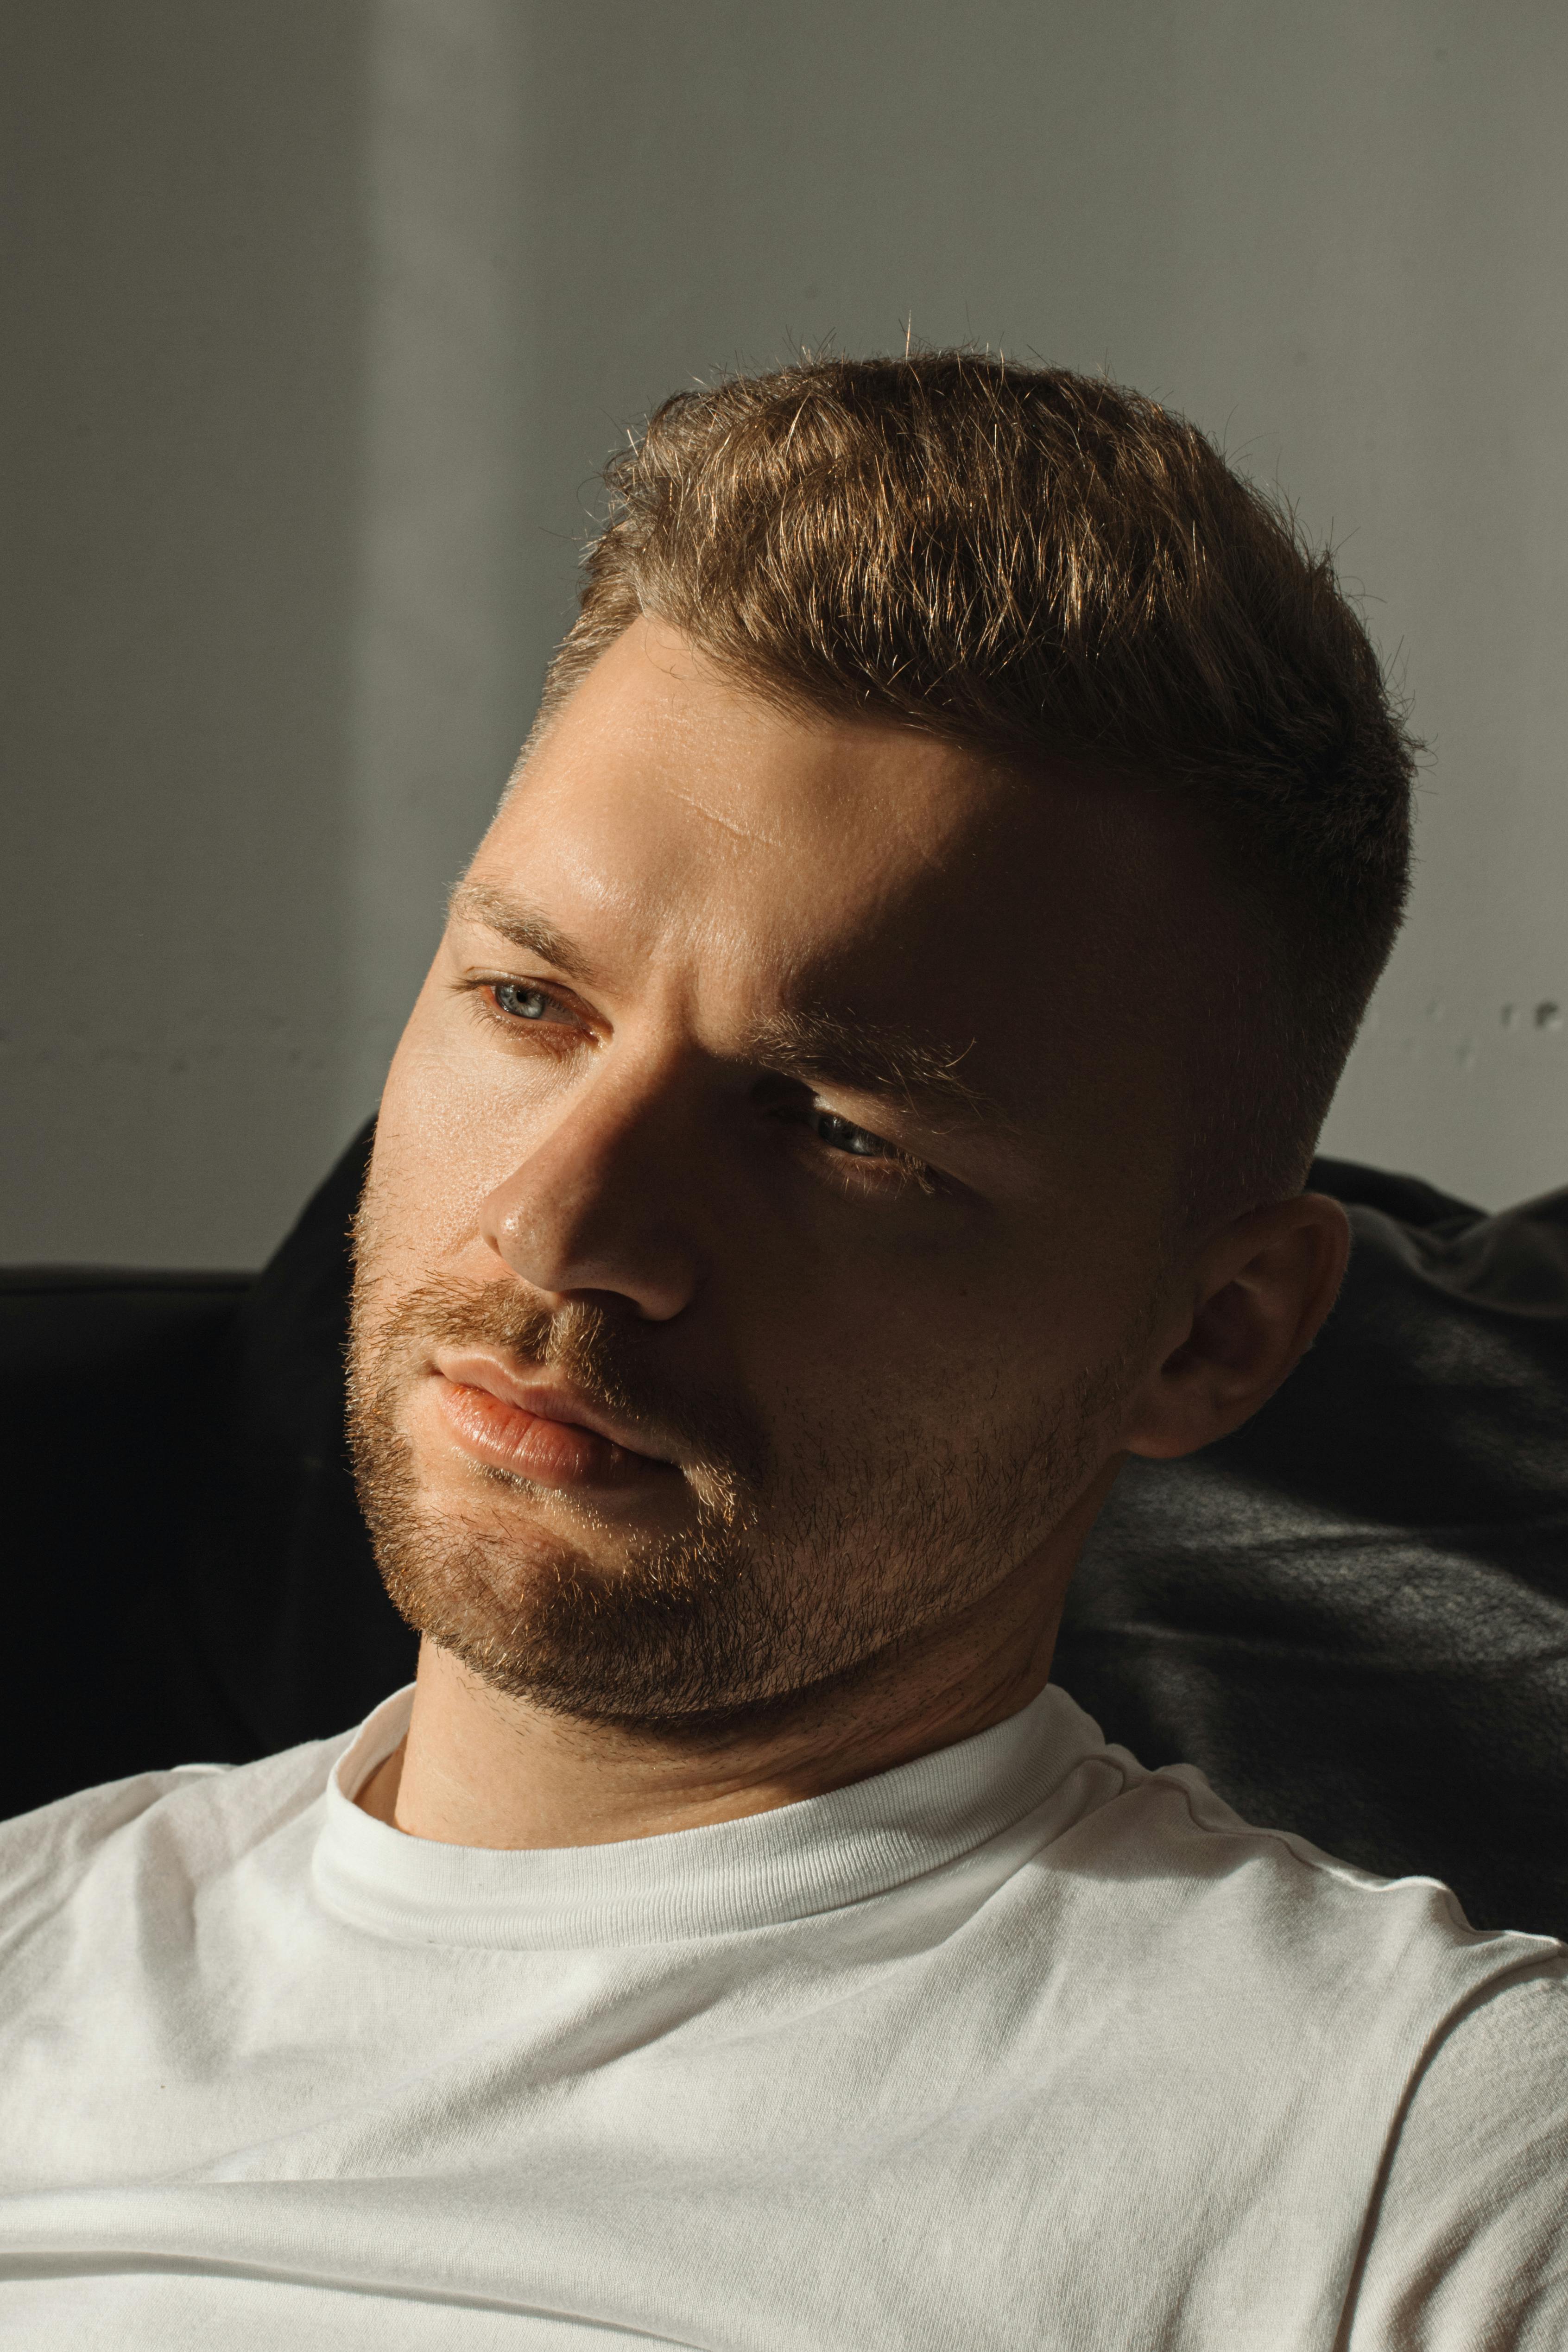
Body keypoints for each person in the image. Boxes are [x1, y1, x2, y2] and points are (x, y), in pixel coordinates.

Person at [1, 354, 1563, 2347]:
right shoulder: (32, 1951)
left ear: (1215, 1334)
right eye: (529, 1001)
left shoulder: (1419, 2175)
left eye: (837, 1130)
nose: (562, 1230)